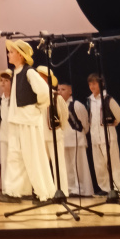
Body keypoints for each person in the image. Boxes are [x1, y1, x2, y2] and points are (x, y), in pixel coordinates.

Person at [2, 40, 54, 202]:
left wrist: (37, 107)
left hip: (28, 120)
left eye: (11, 52)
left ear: (20, 55)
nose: (9, 54)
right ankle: (14, 191)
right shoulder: (16, 73)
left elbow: (44, 92)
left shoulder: (29, 72)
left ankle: (43, 193)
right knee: (15, 156)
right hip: (17, 120)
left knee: (34, 156)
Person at [86, 73, 120, 195]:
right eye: (90, 84)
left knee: (113, 163)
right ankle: (105, 188)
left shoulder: (107, 99)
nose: (92, 86)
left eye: (94, 83)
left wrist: (113, 123)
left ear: (101, 84)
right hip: (95, 137)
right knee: (99, 164)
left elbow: (119, 115)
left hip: (108, 136)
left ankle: (118, 189)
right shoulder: (89, 100)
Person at [37, 67, 69, 196]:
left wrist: (58, 129)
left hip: (54, 135)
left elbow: (64, 115)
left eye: (41, 77)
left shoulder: (56, 97)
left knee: (58, 164)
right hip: (40, 136)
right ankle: (45, 192)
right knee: (42, 165)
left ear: (46, 79)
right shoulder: (35, 97)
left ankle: (62, 191)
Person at [57, 82, 93, 197]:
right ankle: (70, 189)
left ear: (70, 91)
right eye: (58, 90)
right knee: (67, 167)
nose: (60, 92)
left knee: (79, 166)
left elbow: (85, 124)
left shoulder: (76, 105)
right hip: (63, 140)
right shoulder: (57, 105)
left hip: (76, 139)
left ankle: (83, 190)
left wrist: (80, 134)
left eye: (63, 89)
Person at [0, 70, 13, 194]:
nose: (3, 83)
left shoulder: (16, 100)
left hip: (16, 136)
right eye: (1, 81)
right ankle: (6, 190)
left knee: (16, 162)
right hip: (3, 135)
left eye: (6, 81)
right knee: (5, 162)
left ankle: (19, 189)